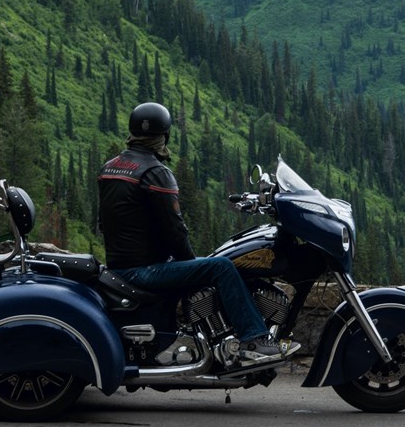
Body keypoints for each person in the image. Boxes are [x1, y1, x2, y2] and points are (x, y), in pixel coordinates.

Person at [98, 102, 292, 367]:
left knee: (212, 266)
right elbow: (175, 231)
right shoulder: (155, 172)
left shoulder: (110, 168)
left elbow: (105, 222)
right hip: (142, 271)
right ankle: (254, 339)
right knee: (222, 267)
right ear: (163, 135)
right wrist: (191, 265)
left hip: (119, 266)